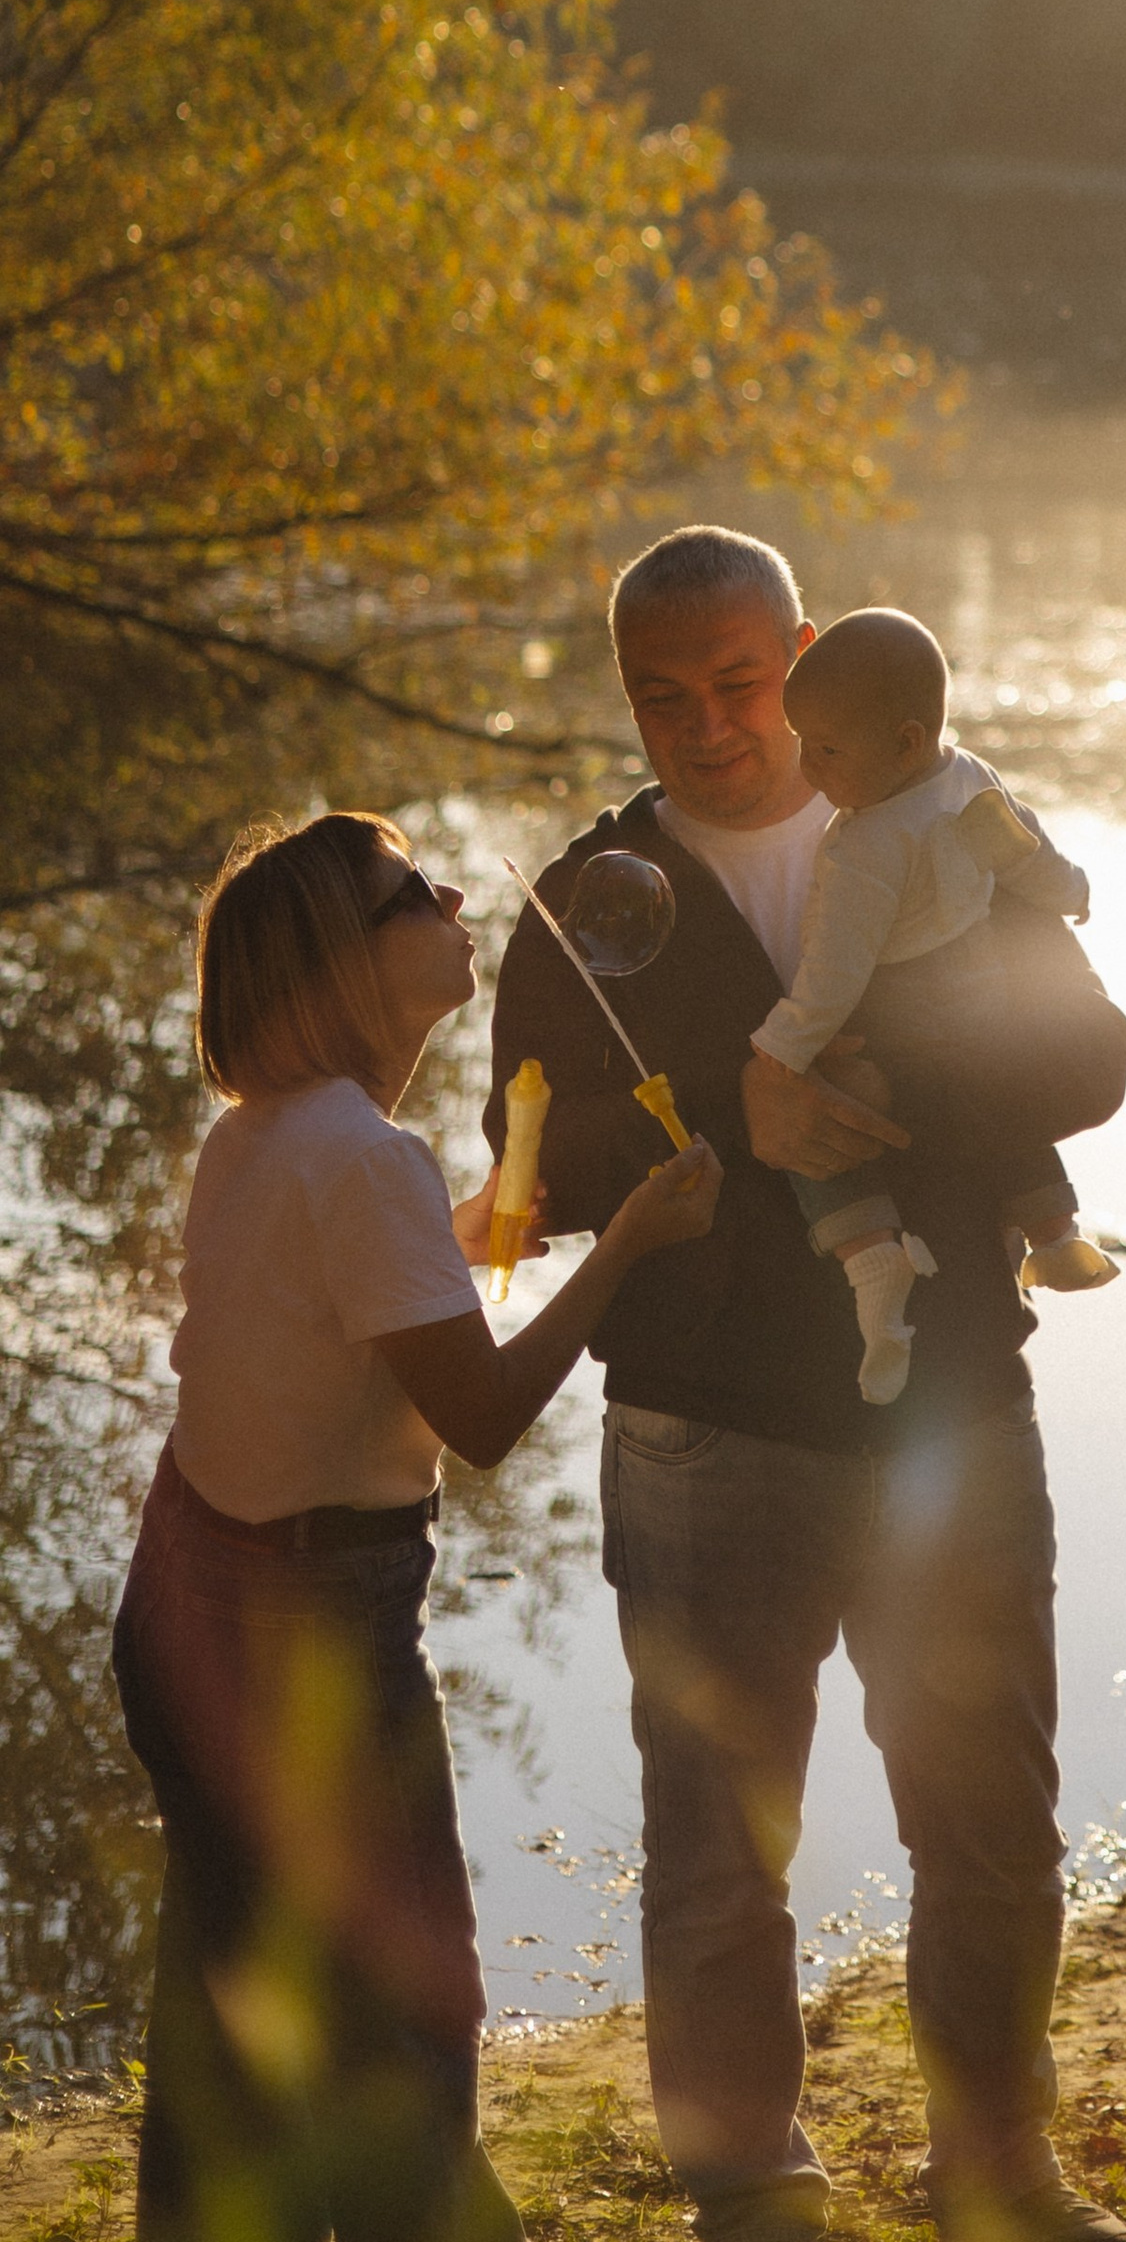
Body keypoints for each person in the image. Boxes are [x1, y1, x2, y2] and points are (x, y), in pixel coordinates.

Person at [485, 525, 1126, 2242]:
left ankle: (998, 2170)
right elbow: (526, 1164)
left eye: (740, 683)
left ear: (809, 655)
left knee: (990, 1822)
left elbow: (1095, 1060)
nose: (708, 728)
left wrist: (886, 1059)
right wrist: (732, 1103)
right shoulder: (589, 893)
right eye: (663, 698)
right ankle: (752, 2195)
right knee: (718, 1848)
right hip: (700, 1431)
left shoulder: (949, 823)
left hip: (951, 1416)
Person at [114, 812, 718, 2242]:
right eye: (406, 892)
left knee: (228, 2005)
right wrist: (629, 1246)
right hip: (306, 1630)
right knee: (406, 2016)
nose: (450, 888)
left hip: (184, 1594)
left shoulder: (266, 1135)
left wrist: (489, 1223)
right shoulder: (361, 1156)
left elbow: (353, 1300)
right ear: (344, 966)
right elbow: (485, 1413)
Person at [761, 605, 1117, 1406]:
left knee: (820, 1113)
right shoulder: (971, 780)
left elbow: (837, 969)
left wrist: (783, 1045)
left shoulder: (865, 845)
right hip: (979, 991)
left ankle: (872, 1259)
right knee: (1002, 1092)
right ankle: (1055, 1230)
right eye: (801, 743)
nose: (808, 766)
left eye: (826, 749)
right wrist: (1075, 892)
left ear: (905, 740)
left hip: (897, 1008)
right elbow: (1030, 857)